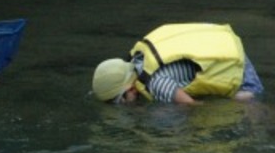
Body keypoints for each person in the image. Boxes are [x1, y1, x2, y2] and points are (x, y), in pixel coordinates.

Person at [91, 22, 264, 104]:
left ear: (130, 89)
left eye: (120, 101)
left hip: (235, 67)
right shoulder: (139, 57)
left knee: (254, 111)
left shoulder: (156, 84)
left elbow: (191, 105)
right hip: (222, 43)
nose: (124, 105)